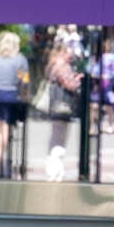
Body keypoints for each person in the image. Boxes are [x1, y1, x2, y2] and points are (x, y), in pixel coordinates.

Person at [0, 31, 29, 178]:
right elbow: (24, 80)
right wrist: (26, 94)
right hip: (12, 95)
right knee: (5, 127)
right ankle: (1, 159)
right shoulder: (20, 60)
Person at [45, 43, 82, 181]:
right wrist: (79, 79)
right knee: (59, 138)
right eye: (69, 53)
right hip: (62, 107)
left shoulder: (54, 65)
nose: (71, 56)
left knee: (56, 136)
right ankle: (54, 169)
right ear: (62, 53)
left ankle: (54, 168)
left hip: (57, 108)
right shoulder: (60, 66)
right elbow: (71, 84)